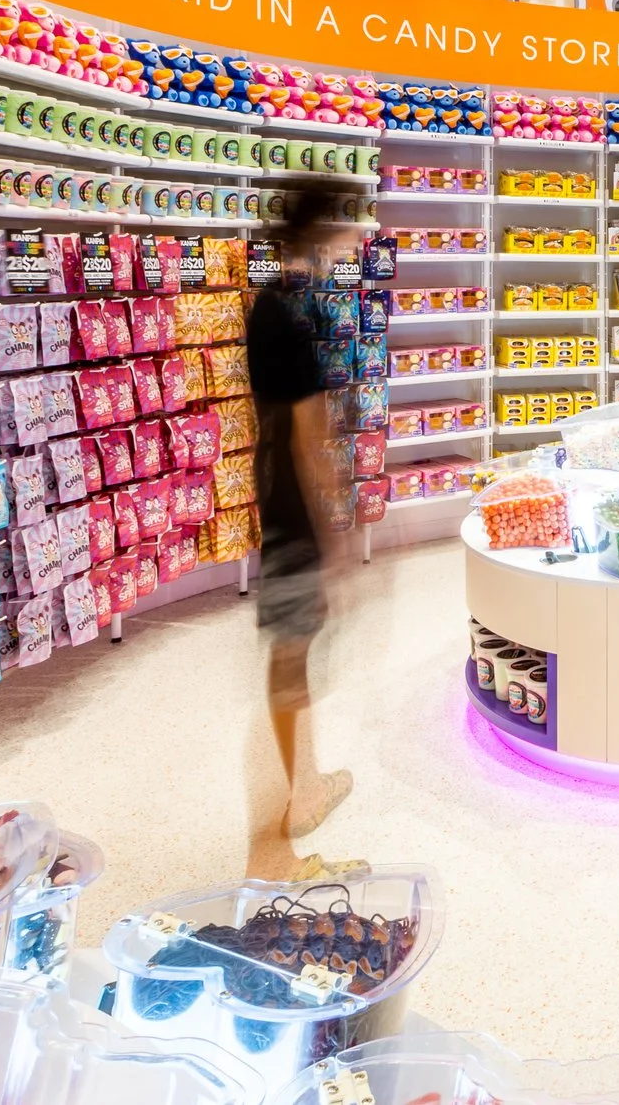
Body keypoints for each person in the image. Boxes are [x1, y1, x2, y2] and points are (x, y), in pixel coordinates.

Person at [245, 186, 360, 877]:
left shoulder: (271, 305)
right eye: (343, 227)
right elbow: (309, 437)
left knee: (295, 659)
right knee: (287, 670)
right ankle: (273, 849)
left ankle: (307, 787)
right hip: (295, 516)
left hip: (277, 503)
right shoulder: (293, 316)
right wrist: (333, 528)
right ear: (318, 234)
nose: (351, 238)